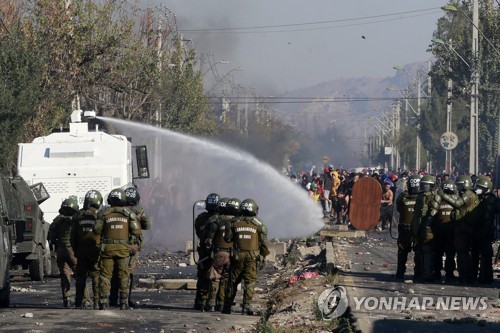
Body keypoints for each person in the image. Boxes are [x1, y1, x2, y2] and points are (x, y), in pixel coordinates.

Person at [94, 188, 140, 310]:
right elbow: (136, 230)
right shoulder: (128, 214)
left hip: (107, 249)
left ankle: (103, 303)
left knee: (105, 276)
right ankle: (124, 302)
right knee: (123, 275)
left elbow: (96, 230)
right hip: (123, 249)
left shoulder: (104, 213)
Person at [222, 198, 270, 315]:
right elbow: (264, 244)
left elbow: (227, 239)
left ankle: (227, 307)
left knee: (232, 281)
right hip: (252, 257)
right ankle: (246, 307)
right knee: (250, 282)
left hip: (237, 256)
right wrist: (263, 256)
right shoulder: (259, 224)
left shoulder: (233, 222)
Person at [109, 186, 152, 308]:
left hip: (116, 244)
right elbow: (147, 226)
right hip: (132, 246)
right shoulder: (139, 211)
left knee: (115, 272)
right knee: (128, 273)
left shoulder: (116, 210)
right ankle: (125, 299)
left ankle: (113, 298)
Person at [437, 175, 480, 284]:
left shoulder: (468, 194)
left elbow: (457, 204)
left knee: (462, 253)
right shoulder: (472, 194)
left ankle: (464, 277)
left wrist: (443, 195)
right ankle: (467, 276)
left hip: (464, 227)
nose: (458, 188)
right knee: (464, 253)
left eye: (460, 185)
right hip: (466, 226)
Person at [203, 198, 240, 312]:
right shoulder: (238, 222)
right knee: (226, 279)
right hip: (232, 254)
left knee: (215, 278)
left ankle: (211, 304)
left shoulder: (217, 221)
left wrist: (208, 251)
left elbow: (208, 240)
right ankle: (221, 303)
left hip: (219, 253)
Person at [71, 190, 103, 309]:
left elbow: (72, 236)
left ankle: (78, 302)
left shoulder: (78, 216)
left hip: (81, 250)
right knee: (96, 276)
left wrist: (76, 250)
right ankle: (96, 302)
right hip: (95, 251)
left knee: (81, 278)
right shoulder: (99, 216)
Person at [48, 197, 80, 307]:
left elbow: (51, 236)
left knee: (65, 275)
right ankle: (83, 300)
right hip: (73, 250)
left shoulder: (57, 220)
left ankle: (67, 299)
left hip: (61, 249)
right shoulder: (76, 219)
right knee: (80, 274)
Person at [193, 193, 220, 310]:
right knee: (216, 277)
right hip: (216, 252)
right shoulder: (221, 219)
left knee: (203, 276)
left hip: (203, 251)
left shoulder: (200, 218)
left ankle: (200, 302)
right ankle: (213, 303)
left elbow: (198, 233)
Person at [411, 175, 440, 282]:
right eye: (423, 184)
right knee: (418, 249)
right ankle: (418, 271)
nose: (424, 187)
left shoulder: (434, 196)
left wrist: (428, 226)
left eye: (426, 185)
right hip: (418, 225)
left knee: (428, 250)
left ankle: (428, 273)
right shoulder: (419, 196)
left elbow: (433, 212)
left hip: (429, 227)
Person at [471, 176, 498, 283]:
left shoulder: (490, 200)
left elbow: (488, 217)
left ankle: (486, 277)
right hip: (477, 229)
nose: (477, 189)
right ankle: (474, 275)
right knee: (475, 253)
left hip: (485, 230)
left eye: (480, 188)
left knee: (485, 255)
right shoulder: (480, 198)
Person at [395, 174, 420, 280]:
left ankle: (400, 273)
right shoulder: (422, 197)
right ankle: (418, 273)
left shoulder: (403, 197)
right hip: (418, 229)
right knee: (419, 251)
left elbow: (398, 209)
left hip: (405, 228)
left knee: (402, 251)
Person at [433, 180, 457, 281]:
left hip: (441, 231)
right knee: (449, 254)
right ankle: (449, 273)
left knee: (440, 253)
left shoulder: (438, 200)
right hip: (448, 232)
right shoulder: (455, 201)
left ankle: (439, 272)